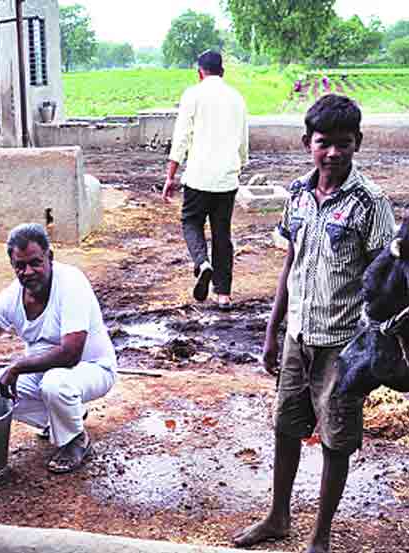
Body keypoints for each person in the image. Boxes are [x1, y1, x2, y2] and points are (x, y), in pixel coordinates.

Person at [233, 94, 395, 553]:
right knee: (286, 425)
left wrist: (376, 347)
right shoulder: (298, 194)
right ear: (308, 142)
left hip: (343, 346)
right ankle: (277, 517)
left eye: (344, 144)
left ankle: (320, 538)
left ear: (357, 143)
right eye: (324, 143)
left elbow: (382, 278)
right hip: (297, 336)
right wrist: (272, 330)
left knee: (336, 439)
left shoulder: (370, 202)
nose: (334, 153)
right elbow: (291, 262)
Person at [0, 223, 117, 473]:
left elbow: (71, 353)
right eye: (20, 266)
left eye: (35, 262)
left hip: (92, 369)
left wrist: (18, 366)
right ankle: (62, 419)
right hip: (48, 373)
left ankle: (76, 441)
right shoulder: (14, 296)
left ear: (50, 257)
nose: (28, 271)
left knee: (55, 384)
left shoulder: (71, 282)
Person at [162, 50, 249, 309]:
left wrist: (170, 176)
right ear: (222, 71)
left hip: (198, 177)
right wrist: (238, 167)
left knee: (191, 221)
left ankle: (202, 263)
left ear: (200, 72)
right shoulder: (237, 98)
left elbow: (181, 138)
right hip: (226, 179)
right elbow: (243, 141)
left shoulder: (193, 95)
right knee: (222, 233)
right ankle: (223, 294)